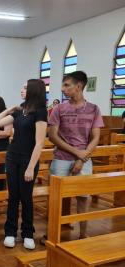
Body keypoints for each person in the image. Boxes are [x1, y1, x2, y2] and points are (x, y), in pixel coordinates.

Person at [45, 71, 104, 243]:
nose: (63, 89)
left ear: (78, 86)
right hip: (61, 158)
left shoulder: (94, 109)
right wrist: (76, 152)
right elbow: (53, 136)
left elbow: (95, 137)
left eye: (67, 85)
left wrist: (81, 158)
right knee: (55, 197)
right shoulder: (59, 108)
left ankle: (83, 234)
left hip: (84, 158)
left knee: (83, 197)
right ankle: (52, 233)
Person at [0, 79, 48, 250]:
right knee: (13, 196)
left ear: (33, 90)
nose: (22, 90)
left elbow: (39, 143)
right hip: (12, 157)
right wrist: (10, 109)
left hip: (27, 160)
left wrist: (31, 167)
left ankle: (28, 233)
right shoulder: (20, 111)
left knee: (26, 197)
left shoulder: (40, 112)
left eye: (25, 87)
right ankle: (10, 232)